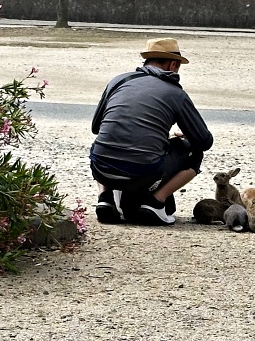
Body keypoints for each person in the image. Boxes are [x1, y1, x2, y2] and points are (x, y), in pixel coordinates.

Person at [90, 37, 213, 226]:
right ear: (173, 64)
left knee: (104, 142)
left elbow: (96, 127)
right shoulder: (175, 93)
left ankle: (105, 198)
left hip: (101, 170)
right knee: (194, 151)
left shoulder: (118, 81)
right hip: (142, 174)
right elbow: (204, 141)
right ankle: (156, 202)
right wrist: (184, 137)